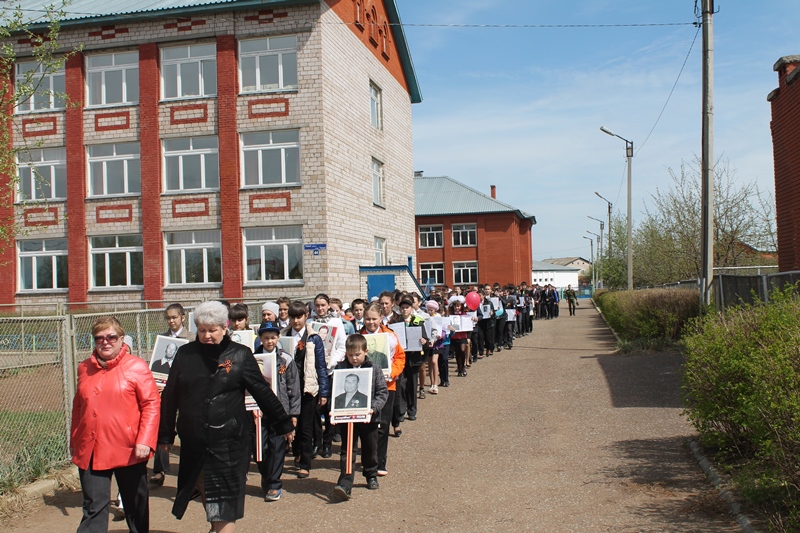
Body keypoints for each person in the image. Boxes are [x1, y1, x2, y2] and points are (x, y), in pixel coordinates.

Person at [158, 301, 294, 533]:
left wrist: (283, 424)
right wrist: (165, 434)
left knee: (224, 504)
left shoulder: (240, 355)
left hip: (229, 441)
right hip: (195, 441)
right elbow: (170, 397)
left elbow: (262, 391)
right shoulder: (185, 354)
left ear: (225, 327)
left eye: (212, 330)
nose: (207, 335)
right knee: (208, 497)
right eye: (202, 330)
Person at [71, 316, 160, 533]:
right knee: (94, 506)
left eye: (111, 337)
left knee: (135, 504)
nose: (105, 342)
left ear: (121, 339)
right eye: (99, 338)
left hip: (128, 448)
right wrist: (75, 440)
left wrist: (145, 440)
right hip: (92, 448)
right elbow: (78, 407)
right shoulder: (84, 368)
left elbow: (151, 404)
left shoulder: (136, 366)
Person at [331, 334, 388, 501]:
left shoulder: (374, 368)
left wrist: (373, 408)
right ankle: (345, 482)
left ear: (365, 352)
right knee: (347, 450)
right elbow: (334, 391)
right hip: (347, 418)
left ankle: (371, 474)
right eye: (350, 355)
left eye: (357, 354)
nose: (354, 358)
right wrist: (333, 410)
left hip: (368, 417)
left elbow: (382, 392)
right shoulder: (341, 368)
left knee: (370, 448)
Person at [253, 321, 300, 502]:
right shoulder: (252, 358)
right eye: (266, 338)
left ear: (278, 338)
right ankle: (266, 474)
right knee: (260, 448)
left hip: (280, 411)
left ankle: (274, 484)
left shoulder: (286, 359)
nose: (270, 341)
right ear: (261, 339)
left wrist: (293, 414)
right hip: (259, 413)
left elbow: (293, 388)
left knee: (277, 447)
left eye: (273, 337)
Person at [282, 300, 329, 479]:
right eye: (293, 317)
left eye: (299, 317)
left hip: (308, 387)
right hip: (289, 388)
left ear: (306, 316)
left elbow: (321, 365)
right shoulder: (283, 335)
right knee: (293, 423)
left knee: (306, 426)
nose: (296, 321)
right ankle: (297, 452)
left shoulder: (313, 337)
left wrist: (323, 391)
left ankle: (305, 463)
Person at [359, 303, 405, 472]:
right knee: (366, 425)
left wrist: (393, 372)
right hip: (365, 385)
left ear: (380, 318)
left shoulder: (390, 336)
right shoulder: (358, 336)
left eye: (374, 319)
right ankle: (368, 458)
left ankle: (380, 462)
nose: (370, 322)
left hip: (387, 385)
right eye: (367, 319)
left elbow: (400, 357)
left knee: (383, 424)